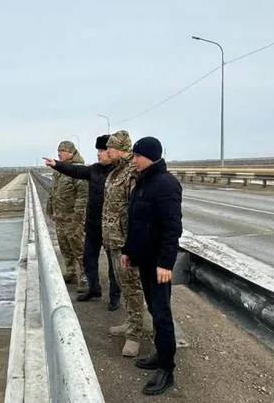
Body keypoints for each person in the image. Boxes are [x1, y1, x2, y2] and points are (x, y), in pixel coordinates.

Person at [121, 136, 183, 396]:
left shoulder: (166, 184)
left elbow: (172, 228)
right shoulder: (142, 182)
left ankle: (167, 369)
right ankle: (160, 354)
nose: (133, 160)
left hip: (159, 265)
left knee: (161, 314)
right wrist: (128, 251)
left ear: (150, 156)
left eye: (137, 155)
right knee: (154, 310)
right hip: (144, 260)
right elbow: (135, 222)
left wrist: (166, 263)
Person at [42, 135, 121, 309]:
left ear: (111, 152)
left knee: (113, 265)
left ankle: (115, 296)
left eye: (102, 151)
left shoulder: (118, 173)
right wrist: (56, 164)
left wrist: (78, 218)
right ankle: (94, 289)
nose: (99, 154)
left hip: (110, 227)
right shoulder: (94, 169)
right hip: (93, 225)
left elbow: (82, 195)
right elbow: (76, 171)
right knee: (88, 259)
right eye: (98, 151)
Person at [102, 130, 146, 357]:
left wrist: (131, 244)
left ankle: (135, 335)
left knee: (132, 289)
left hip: (125, 243)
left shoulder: (131, 172)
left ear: (121, 149)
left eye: (110, 148)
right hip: (113, 240)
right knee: (123, 285)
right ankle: (130, 323)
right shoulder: (115, 172)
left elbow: (135, 211)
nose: (106, 151)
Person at [45, 140, 89, 292]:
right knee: (65, 246)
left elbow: (83, 195)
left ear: (71, 152)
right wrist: (50, 207)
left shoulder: (78, 170)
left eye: (61, 151)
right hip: (60, 217)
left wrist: (78, 216)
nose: (58, 154)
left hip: (73, 218)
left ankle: (85, 276)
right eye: (58, 151)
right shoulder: (58, 170)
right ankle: (71, 272)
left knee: (79, 247)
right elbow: (54, 191)